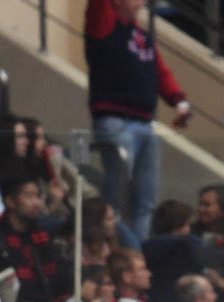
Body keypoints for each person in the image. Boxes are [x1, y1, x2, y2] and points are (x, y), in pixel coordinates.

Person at [85, 0, 191, 241]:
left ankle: (138, 256)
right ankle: (116, 250)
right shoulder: (103, 25)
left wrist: (178, 102)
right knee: (117, 199)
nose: (141, 2)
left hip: (144, 123)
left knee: (145, 201)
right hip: (115, 120)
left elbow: (160, 72)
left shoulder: (142, 35)